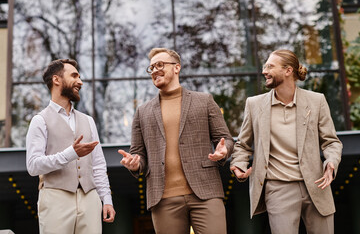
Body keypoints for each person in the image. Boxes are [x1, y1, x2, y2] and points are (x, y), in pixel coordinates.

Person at [118, 48, 234, 234]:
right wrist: (135, 164)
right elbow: (138, 152)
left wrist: (224, 151)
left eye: (160, 65)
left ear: (177, 68)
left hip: (206, 193)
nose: (154, 70)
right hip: (163, 199)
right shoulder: (143, 111)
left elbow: (226, 139)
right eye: (151, 68)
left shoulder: (204, 101)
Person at [230, 49, 342, 234]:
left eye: (270, 66)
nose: (264, 71)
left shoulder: (316, 101)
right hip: (278, 189)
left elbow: (331, 142)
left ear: (288, 70)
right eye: (265, 66)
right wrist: (239, 164)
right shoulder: (254, 104)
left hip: (316, 185)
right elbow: (242, 145)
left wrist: (331, 162)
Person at [26, 59, 116, 234]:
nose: (80, 82)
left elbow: (98, 165)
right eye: (74, 76)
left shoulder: (88, 121)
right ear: (56, 80)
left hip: (90, 198)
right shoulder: (40, 120)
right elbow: (33, 165)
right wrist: (70, 153)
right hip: (55, 198)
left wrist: (106, 199)